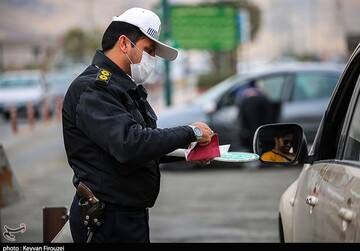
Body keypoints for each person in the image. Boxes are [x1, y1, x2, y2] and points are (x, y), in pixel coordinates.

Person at [62, 7, 214, 243]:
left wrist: (187, 153)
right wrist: (190, 131)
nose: (151, 59)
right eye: (148, 50)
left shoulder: (123, 88)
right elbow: (129, 144)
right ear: (124, 43)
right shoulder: (94, 88)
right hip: (106, 219)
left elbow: (142, 146)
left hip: (127, 216)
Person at [238, 81, 273, 151]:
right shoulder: (262, 93)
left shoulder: (242, 87)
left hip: (250, 105)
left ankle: (254, 148)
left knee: (253, 128)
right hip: (260, 106)